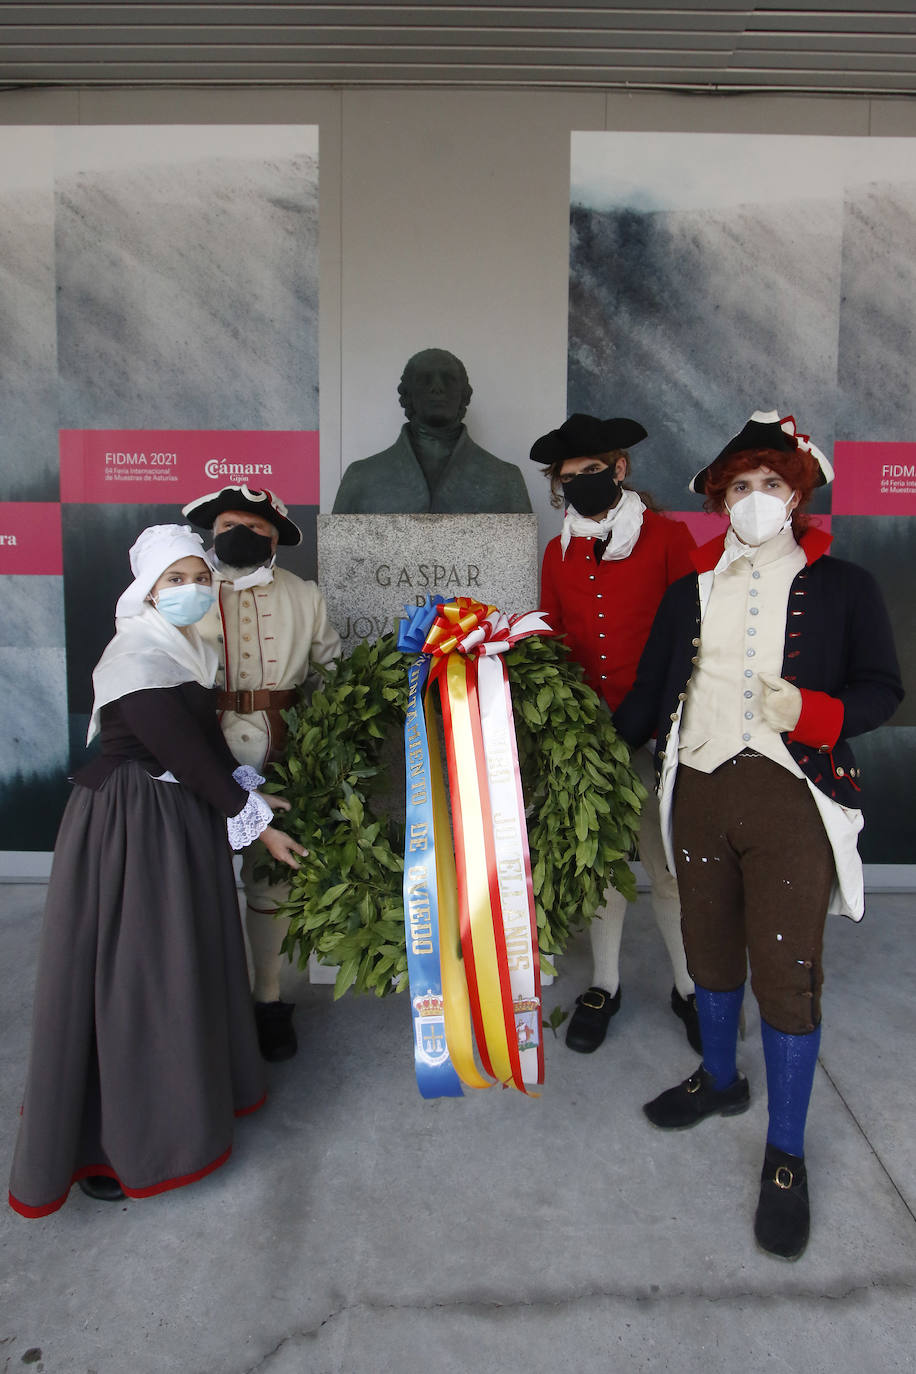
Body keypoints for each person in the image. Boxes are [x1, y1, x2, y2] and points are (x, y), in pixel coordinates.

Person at [613, 410, 904, 1260]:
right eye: (739, 486)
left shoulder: (845, 586)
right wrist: (583, 741)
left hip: (790, 800)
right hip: (697, 790)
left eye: (770, 484)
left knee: (785, 969)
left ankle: (786, 1155)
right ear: (719, 498)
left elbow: (884, 689)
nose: (753, 499)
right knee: (706, 946)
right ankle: (719, 1078)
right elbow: (649, 695)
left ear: (798, 494)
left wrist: (811, 713)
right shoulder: (688, 593)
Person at [9, 525, 305, 1217]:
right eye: (176, 580)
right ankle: (120, 1142)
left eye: (199, 577)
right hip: (132, 826)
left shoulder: (183, 649)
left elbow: (201, 744)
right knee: (138, 973)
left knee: (177, 960)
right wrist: (258, 823)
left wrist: (250, 792)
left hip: (171, 821)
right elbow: (179, 749)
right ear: (146, 589)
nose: (192, 590)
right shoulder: (135, 655)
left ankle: (188, 1105)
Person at [530, 413, 700, 1053]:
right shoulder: (559, 550)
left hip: (661, 732)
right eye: (569, 478)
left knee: (668, 864)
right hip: (591, 740)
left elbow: (691, 636)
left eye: (592, 473)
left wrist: (653, 720)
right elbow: (552, 635)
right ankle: (605, 982)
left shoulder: (666, 537)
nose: (581, 485)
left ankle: (688, 987)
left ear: (619, 470)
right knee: (603, 864)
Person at [181, 484, 341, 1062]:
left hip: (281, 751)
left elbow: (330, 673)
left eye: (256, 526)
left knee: (272, 879)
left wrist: (329, 742)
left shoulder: (305, 594)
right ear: (211, 532)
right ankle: (197, 1003)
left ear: (276, 539)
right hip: (198, 751)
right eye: (228, 524)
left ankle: (268, 999)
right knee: (193, 876)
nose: (241, 534)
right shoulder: (184, 590)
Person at [332, 348, 532, 513]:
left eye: (449, 379)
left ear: (463, 394)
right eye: (424, 379)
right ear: (408, 394)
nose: (437, 387)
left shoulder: (506, 480)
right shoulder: (360, 479)